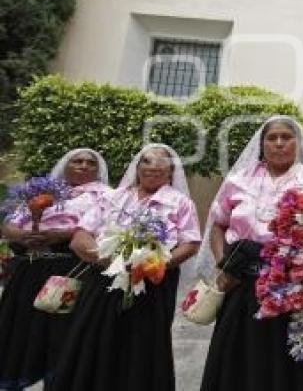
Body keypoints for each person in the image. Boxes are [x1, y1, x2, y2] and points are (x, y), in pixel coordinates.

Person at [198, 116, 303, 391]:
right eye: (271, 138)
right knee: (237, 358)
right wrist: (221, 265)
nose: (278, 143)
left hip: (294, 285)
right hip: (241, 282)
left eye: (286, 137)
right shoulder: (239, 179)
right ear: (261, 144)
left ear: (298, 143)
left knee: (288, 364)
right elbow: (218, 225)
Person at [50, 144, 201, 391]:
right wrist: (108, 260)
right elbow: (80, 236)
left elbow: (191, 242)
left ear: (170, 172)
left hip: (153, 284)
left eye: (161, 164)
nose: (153, 168)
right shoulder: (113, 198)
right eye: (147, 162)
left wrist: (157, 264)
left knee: (142, 343)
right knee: (95, 335)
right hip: (104, 279)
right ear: (136, 167)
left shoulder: (180, 203)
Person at [0, 149, 110, 390]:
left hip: (69, 273)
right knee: (21, 332)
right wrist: (23, 235)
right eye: (77, 161)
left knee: (60, 335)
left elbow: (99, 229)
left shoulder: (105, 196)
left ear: (98, 170)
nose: (83, 166)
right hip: (28, 271)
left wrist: (58, 235)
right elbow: (8, 225)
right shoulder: (42, 190)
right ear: (65, 165)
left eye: (91, 163)